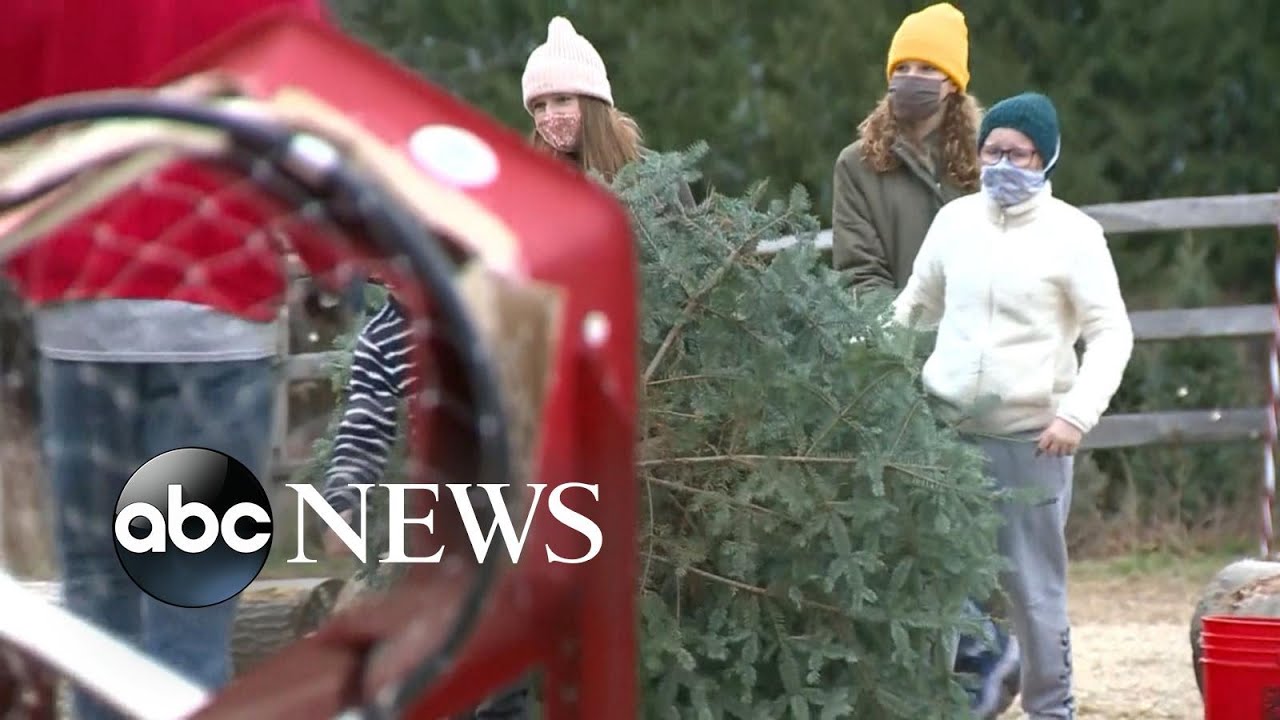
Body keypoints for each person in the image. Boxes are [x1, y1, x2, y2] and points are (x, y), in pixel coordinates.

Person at [0, 2, 338, 719]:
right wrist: (331, 262)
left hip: (81, 309)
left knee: (98, 602)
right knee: (192, 599)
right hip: (218, 317)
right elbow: (312, 123)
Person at [891, 91, 1135, 720]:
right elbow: (915, 306)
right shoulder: (955, 223)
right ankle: (944, 703)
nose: (1003, 164)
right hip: (946, 433)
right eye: (992, 150)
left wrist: (1075, 415)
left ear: (1045, 158)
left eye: (1018, 154)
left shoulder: (1075, 236)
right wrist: (866, 362)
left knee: (1032, 590)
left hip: (1032, 439)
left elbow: (1110, 332)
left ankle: (1052, 707)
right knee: (944, 585)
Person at [828, 3, 1020, 714]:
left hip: (990, 364)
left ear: (954, 82)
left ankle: (989, 648)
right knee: (922, 519)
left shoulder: (989, 160)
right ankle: (967, 659)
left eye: (928, 69)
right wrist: (909, 340)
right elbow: (858, 271)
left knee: (991, 515)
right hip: (903, 366)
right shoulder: (858, 166)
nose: (912, 79)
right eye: (902, 67)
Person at [520, 16, 696, 209]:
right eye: (539, 106)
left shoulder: (660, 178)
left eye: (562, 100)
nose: (549, 115)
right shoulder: (529, 184)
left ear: (593, 104)